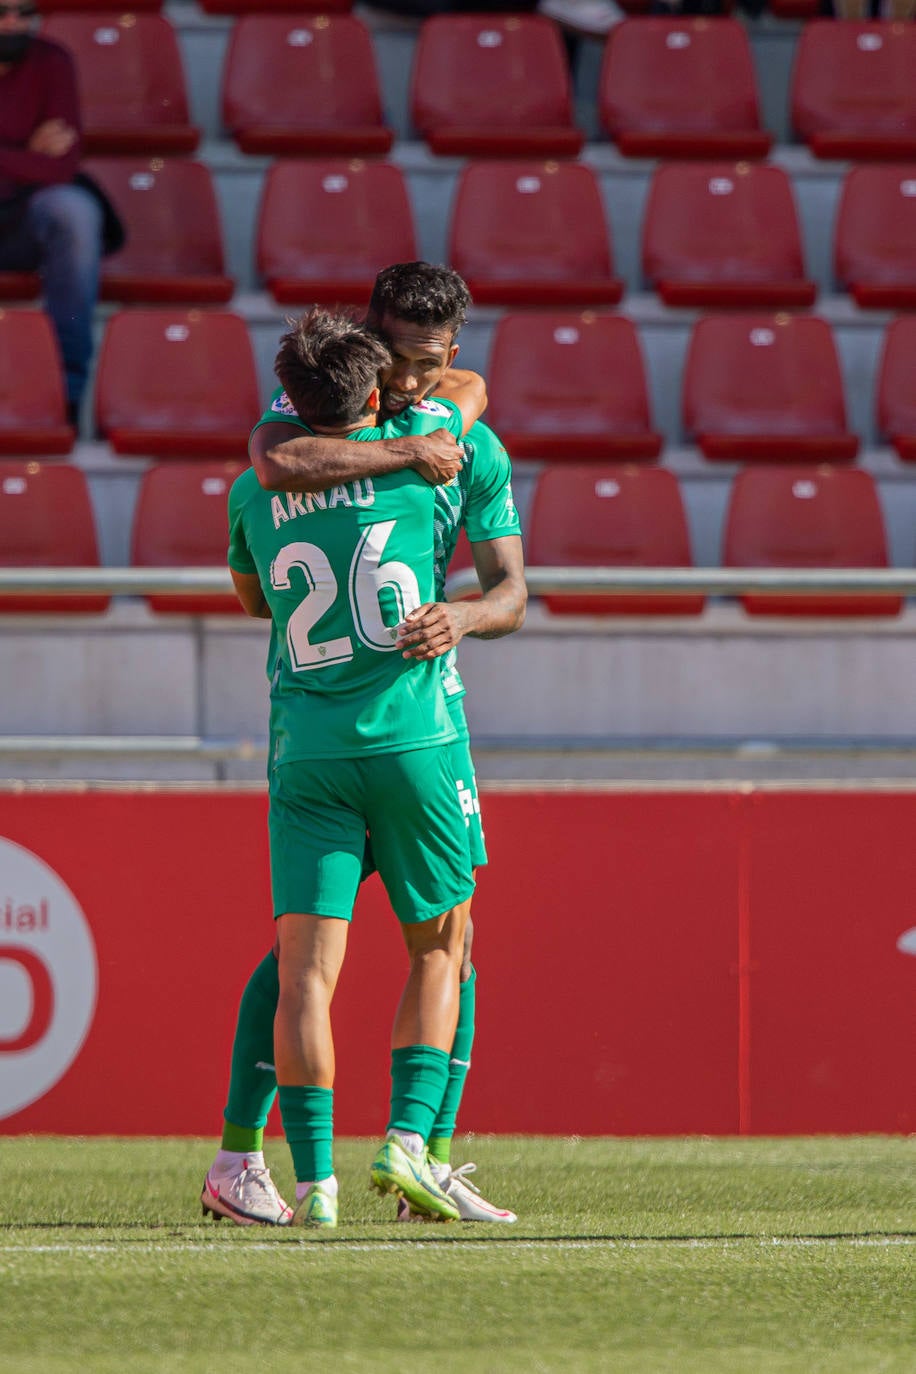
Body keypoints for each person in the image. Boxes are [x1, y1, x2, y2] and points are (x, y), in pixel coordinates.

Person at [202, 263, 525, 1227]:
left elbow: (508, 593)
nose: (421, 382)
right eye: (403, 361)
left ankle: (326, 1178)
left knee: (314, 959)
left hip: (316, 736)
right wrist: (412, 453)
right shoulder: (344, 421)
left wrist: (462, 618)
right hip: (413, 734)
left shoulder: (448, 420)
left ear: (453, 353)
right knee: (440, 944)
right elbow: (275, 455)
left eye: (435, 364)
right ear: (370, 349)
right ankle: (408, 1145)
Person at [0, 3, 115, 427]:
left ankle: (66, 390)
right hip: (23, 195)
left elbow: (62, 167)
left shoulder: (52, 61)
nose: (13, 23)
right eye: (2, 12)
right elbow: (43, 165)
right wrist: (27, 155)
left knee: (74, 210)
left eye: (24, 11)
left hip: (26, 219)